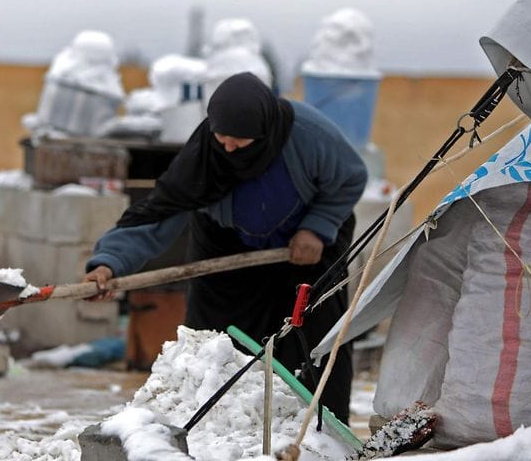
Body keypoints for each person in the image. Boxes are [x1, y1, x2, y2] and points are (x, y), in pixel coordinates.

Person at [82, 71, 367, 421]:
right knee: (213, 345)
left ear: (264, 132)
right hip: (228, 244)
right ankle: (211, 427)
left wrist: (317, 228)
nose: (228, 148)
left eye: (240, 141)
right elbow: (159, 213)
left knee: (315, 341)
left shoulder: (309, 134)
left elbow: (351, 178)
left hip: (307, 247)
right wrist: (110, 262)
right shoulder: (204, 152)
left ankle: (318, 430)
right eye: (222, 138)